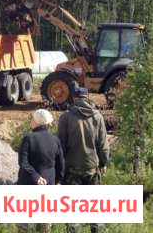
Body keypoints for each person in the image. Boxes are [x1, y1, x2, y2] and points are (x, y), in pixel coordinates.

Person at [58, 84, 109, 233]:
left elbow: (61, 145)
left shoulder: (66, 117)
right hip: (92, 168)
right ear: (87, 98)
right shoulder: (98, 116)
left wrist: (60, 169)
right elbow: (103, 144)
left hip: (72, 169)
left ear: (74, 98)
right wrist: (104, 163)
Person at [17, 109, 65, 233]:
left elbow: (23, 163)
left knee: (24, 223)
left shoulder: (28, 138)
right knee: (45, 224)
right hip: (48, 183)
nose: (31, 121)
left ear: (37, 122)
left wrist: (36, 177)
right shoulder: (55, 140)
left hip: (27, 183)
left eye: (32, 119)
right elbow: (61, 165)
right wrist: (56, 181)